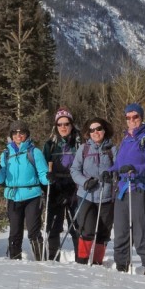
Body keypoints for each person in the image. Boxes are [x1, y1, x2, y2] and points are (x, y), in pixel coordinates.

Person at [111, 103, 145, 277]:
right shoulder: (125, 140)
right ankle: (121, 269)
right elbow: (118, 164)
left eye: (135, 117)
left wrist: (135, 169)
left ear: (141, 118)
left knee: (142, 233)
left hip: (141, 189)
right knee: (121, 232)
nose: (132, 120)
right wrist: (109, 172)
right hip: (123, 190)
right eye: (128, 117)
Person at [0, 120, 50, 260]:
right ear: (11, 135)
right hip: (13, 196)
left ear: (26, 134)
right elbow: (0, 179)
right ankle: (14, 261)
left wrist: (49, 177)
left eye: (21, 132)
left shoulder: (34, 152)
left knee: (33, 231)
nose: (18, 135)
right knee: (15, 231)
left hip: (32, 196)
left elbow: (43, 175)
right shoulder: (6, 154)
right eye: (15, 133)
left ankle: (41, 261)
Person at [69, 117, 116, 265]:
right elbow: (74, 170)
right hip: (86, 195)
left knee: (103, 233)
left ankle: (97, 263)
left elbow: (119, 169)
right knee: (86, 230)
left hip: (106, 196)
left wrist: (112, 175)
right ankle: (82, 261)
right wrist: (85, 182)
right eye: (92, 130)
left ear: (104, 130)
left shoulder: (113, 149)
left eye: (99, 129)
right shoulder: (84, 149)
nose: (96, 132)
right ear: (88, 133)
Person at [42, 108, 83, 260]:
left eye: (66, 123)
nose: (63, 127)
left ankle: (81, 259)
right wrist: (47, 179)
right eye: (60, 124)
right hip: (55, 188)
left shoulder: (80, 143)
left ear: (72, 124)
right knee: (53, 226)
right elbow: (43, 166)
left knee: (76, 226)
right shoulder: (50, 145)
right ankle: (53, 259)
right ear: (56, 126)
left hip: (75, 188)